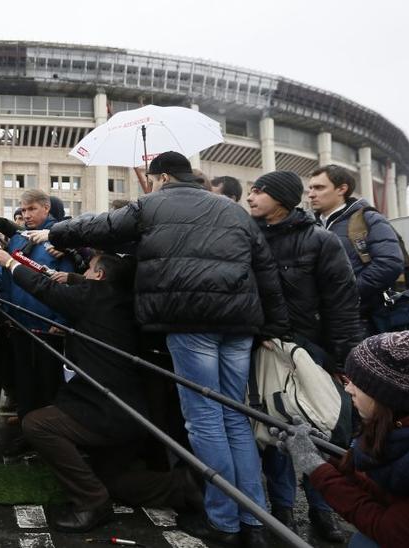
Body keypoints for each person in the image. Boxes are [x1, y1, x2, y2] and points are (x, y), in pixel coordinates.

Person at [37, 151, 289, 546]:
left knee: (205, 420)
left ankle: (223, 521)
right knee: (235, 418)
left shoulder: (152, 203)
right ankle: (253, 520)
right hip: (240, 325)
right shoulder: (233, 211)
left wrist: (55, 233)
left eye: (153, 180)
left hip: (190, 322)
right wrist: (272, 325)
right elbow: (265, 270)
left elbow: (100, 226)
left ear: (163, 177)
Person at [0, 248, 200, 532]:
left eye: (88, 270)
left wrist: (9, 263)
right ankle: (181, 486)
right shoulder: (123, 301)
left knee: (37, 424)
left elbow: (44, 289)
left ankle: (92, 503)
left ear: (100, 275)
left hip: (104, 409)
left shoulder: (94, 297)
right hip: (134, 412)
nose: (85, 275)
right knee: (111, 479)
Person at [247, 171, 361, 541]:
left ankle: (322, 510)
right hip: (264, 348)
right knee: (274, 428)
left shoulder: (321, 241)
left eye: (259, 190)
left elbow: (342, 305)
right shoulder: (247, 237)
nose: (251, 196)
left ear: (281, 197)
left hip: (313, 350)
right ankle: (282, 510)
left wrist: (343, 361)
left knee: (321, 429)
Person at [276, 324, 409, 547]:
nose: (348, 389)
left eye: (357, 383)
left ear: (388, 396)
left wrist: (315, 468)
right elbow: (391, 495)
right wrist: (326, 457)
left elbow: (394, 532)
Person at [1, 189, 75, 457]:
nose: (26, 214)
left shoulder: (59, 239)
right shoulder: (17, 241)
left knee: (49, 385)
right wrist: (8, 313)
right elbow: (8, 278)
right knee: (24, 382)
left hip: (49, 325)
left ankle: (51, 440)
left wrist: (61, 319)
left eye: (32, 209)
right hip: (20, 325)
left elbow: (67, 282)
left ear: (46, 209)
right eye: (23, 209)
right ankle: (26, 433)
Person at [308, 165, 403, 331]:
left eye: (319, 188)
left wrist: (348, 293)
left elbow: (389, 263)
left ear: (341, 189)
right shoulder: (309, 226)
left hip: (360, 321)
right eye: (310, 188)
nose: (311, 194)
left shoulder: (368, 219)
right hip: (319, 321)